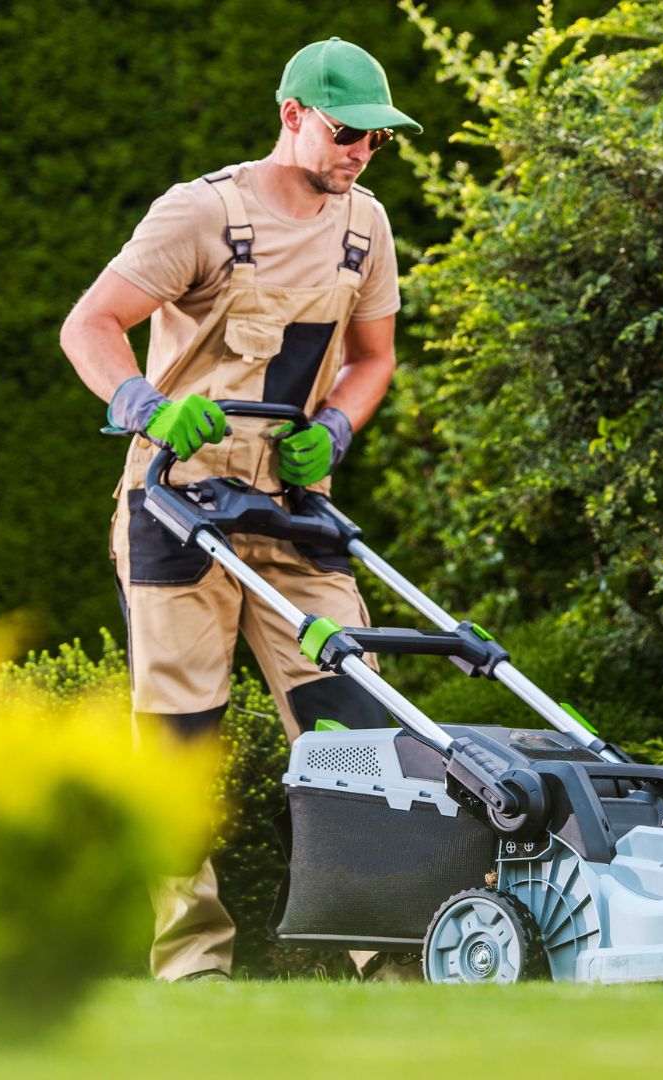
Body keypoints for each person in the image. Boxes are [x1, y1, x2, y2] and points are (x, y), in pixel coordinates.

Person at [59, 37, 420, 983]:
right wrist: (144, 406)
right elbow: (89, 324)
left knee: (353, 724)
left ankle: (384, 957)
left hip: (293, 506)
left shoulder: (365, 226)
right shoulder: (202, 214)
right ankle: (193, 968)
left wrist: (336, 430)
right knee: (181, 738)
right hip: (178, 500)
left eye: (376, 142)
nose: (360, 156)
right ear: (294, 114)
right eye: (347, 134)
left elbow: (373, 358)